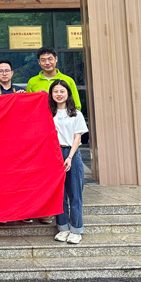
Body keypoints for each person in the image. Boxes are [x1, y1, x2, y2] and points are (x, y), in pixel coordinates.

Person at [48, 79, 88, 245]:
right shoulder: (48, 113)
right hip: (54, 154)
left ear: (68, 93)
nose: (59, 94)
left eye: (62, 91)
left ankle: (76, 229)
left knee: (75, 193)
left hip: (71, 153)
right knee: (59, 194)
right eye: (55, 91)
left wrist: (70, 157)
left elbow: (77, 138)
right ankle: (63, 227)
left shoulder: (76, 114)